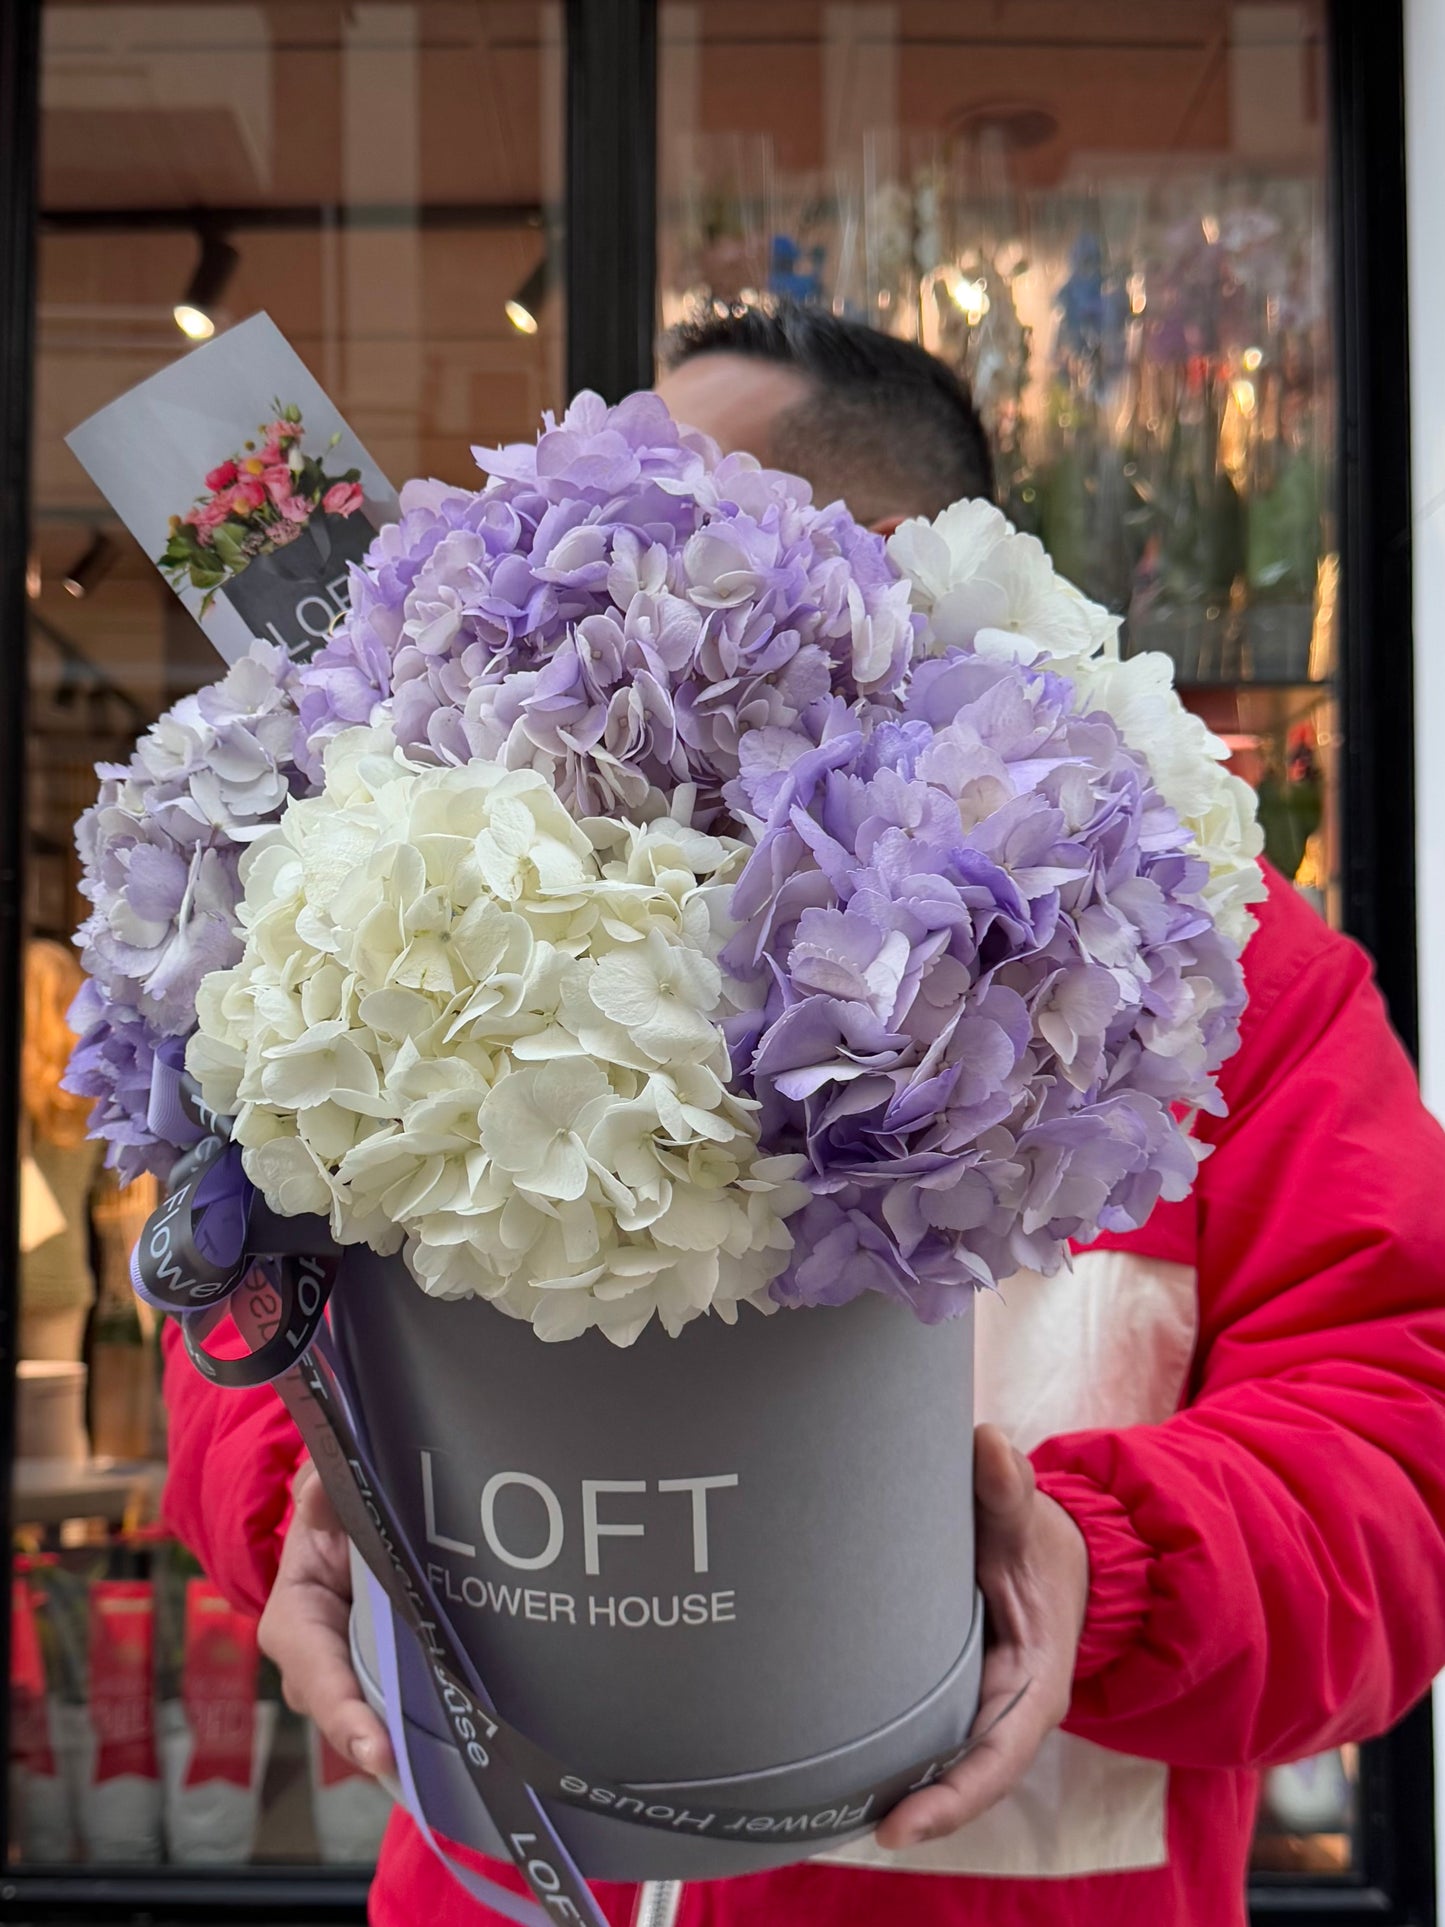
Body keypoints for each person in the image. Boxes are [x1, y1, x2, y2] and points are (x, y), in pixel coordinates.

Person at [160, 304, 1445, 1927]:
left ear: (886, 584)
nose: (566, 606)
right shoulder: (435, 932)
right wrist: (311, 1504)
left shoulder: (1204, 974)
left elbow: (1399, 1458)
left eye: (658, 549)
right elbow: (241, 1312)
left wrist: (1094, 1569)